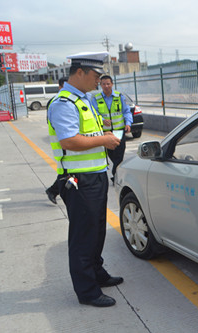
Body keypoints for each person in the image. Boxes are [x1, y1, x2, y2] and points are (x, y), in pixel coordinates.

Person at [47, 51, 123, 307]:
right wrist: (105, 139)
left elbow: (89, 133)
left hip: (95, 177)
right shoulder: (64, 103)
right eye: (95, 76)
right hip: (79, 181)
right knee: (83, 236)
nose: (98, 81)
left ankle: (97, 273)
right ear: (79, 73)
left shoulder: (85, 100)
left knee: (97, 231)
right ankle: (87, 291)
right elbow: (69, 140)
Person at [91, 75, 132, 184]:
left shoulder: (119, 97)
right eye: (103, 84)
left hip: (119, 131)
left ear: (112, 84)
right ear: (101, 85)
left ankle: (115, 175)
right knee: (112, 156)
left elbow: (126, 111)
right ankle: (116, 174)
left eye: (108, 83)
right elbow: (93, 114)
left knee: (119, 156)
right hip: (105, 133)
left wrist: (128, 123)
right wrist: (102, 119)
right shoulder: (96, 99)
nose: (106, 86)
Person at [45, 76, 68, 204]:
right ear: (59, 87)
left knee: (65, 172)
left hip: (65, 143)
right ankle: (53, 191)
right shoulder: (56, 101)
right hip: (62, 143)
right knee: (65, 172)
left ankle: (53, 191)